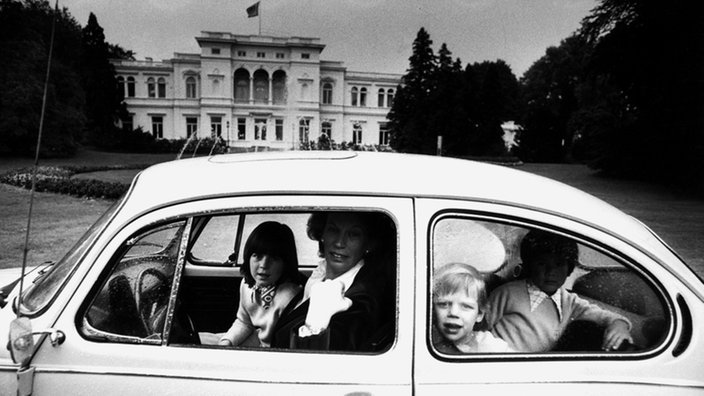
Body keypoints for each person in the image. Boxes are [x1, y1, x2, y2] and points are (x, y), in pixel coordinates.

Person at [485, 229, 633, 352]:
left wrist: (620, 325)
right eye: (542, 264)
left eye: (559, 264)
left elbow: (604, 316)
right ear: (530, 265)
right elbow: (481, 326)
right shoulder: (507, 293)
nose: (551, 272)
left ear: (569, 268)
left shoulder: (570, 301)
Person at [271, 211, 395, 351]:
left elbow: (324, 357)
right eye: (333, 230)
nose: (339, 243)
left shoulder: (362, 299)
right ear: (322, 233)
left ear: (369, 243)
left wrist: (315, 325)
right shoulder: (319, 275)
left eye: (353, 234)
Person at [218, 221, 306, 347]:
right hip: (257, 340)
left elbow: (284, 342)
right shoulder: (247, 285)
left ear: (285, 263)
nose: (264, 265)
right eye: (257, 256)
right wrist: (227, 341)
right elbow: (244, 322)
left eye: (274, 258)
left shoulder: (292, 296)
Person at [432, 263, 512, 353]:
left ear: (479, 314)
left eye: (466, 306)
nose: (454, 313)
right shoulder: (425, 342)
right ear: (432, 310)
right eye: (443, 304)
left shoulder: (489, 345)